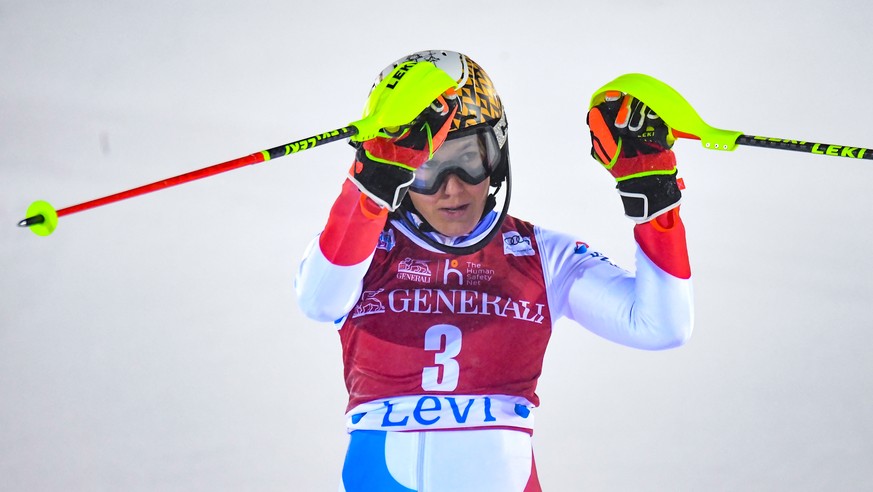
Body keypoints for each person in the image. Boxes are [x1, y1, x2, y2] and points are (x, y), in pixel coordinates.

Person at [295, 50, 693, 492]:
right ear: (398, 165)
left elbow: (662, 326)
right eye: (427, 164)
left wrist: (654, 194)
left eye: (470, 158)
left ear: (497, 154)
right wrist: (368, 187)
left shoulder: (543, 255)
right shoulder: (363, 247)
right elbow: (317, 300)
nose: (452, 187)